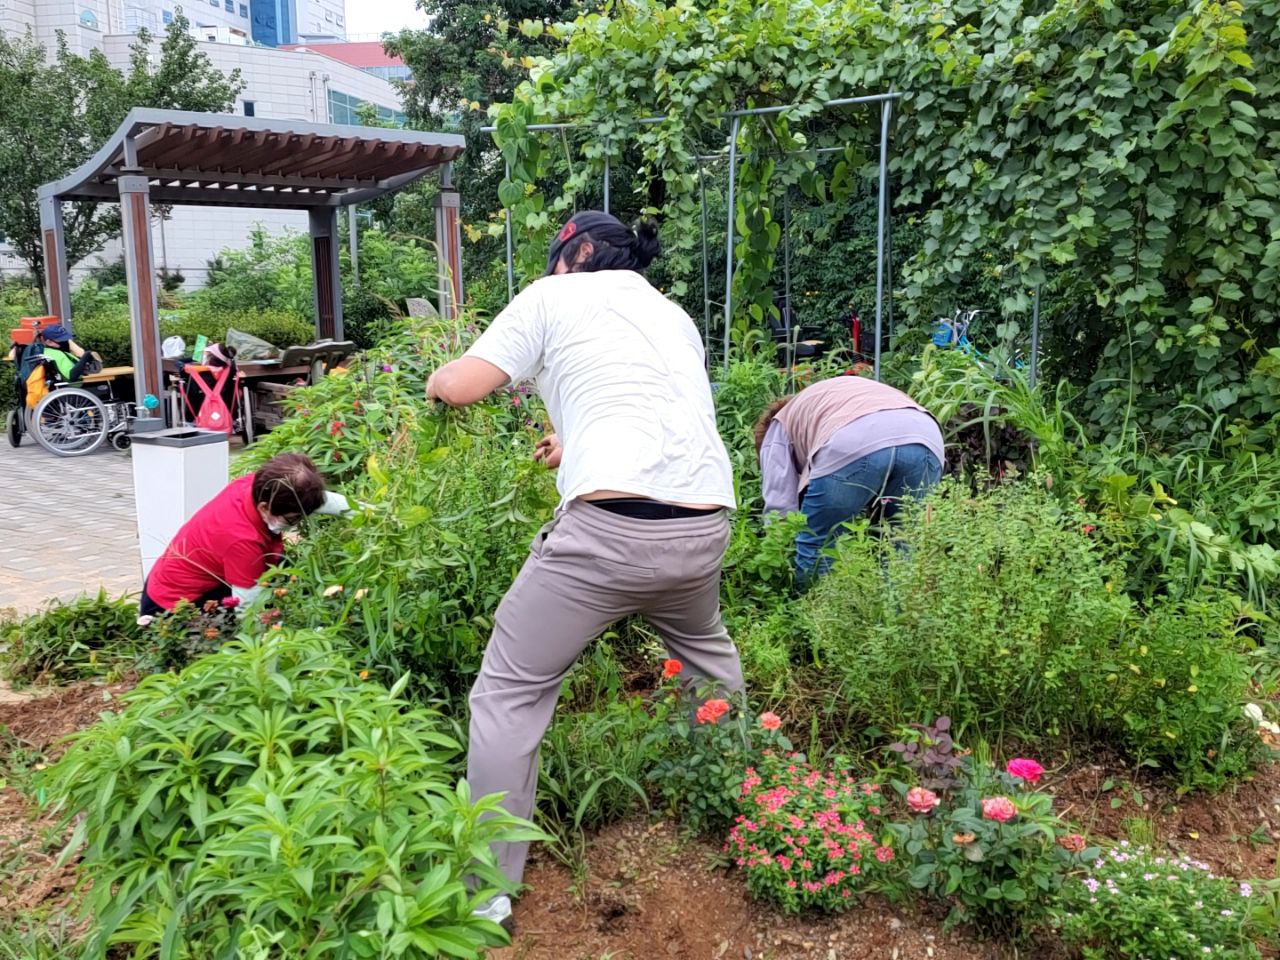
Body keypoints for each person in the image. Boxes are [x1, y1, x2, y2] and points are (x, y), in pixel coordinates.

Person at [425, 210, 742, 928]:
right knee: (707, 658)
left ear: (582, 252)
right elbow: (655, 410)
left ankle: (489, 892)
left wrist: (436, 380)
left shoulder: (552, 295)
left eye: (556, 255)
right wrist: (573, 442)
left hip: (605, 537)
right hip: (701, 527)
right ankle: (736, 796)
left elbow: (465, 384)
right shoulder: (673, 315)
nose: (551, 266)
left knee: (509, 690)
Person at [755, 373, 945, 582]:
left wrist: (777, 557)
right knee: (902, 542)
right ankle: (898, 611)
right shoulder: (824, 401)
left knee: (819, 544)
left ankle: (811, 611)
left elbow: (779, 509)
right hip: (925, 435)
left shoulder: (778, 426)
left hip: (852, 438)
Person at [139, 452, 350, 616]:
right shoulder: (242, 540)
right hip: (171, 608)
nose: (298, 523)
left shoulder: (263, 484)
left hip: (195, 580)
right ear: (265, 508)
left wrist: (369, 513)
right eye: (293, 519)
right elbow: (247, 607)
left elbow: (316, 498)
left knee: (288, 578)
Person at [5, 324, 99, 381]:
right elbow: (71, 376)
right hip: (73, 385)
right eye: (62, 339)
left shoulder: (49, 351)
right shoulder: (55, 354)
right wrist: (87, 355)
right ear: (49, 342)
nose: (65, 341)